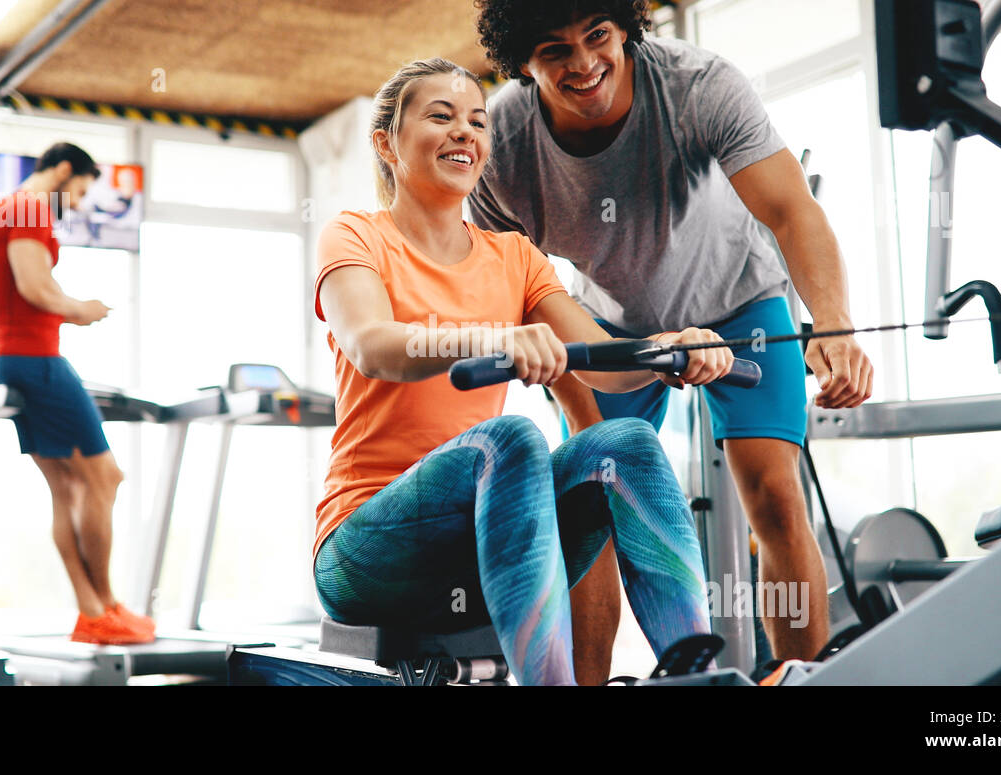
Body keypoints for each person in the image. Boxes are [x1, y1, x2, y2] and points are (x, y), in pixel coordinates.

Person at [469, 0, 876, 677]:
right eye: (553, 51)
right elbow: (508, 289)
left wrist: (833, 325)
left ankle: (805, 677)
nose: (583, 63)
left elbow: (790, 208)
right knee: (587, 494)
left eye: (596, 35)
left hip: (741, 298)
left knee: (773, 493)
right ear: (521, 61)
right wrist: (574, 405)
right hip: (607, 324)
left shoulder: (697, 84)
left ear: (625, 25)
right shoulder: (502, 144)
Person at [313, 58, 737, 685]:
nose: (465, 133)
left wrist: (671, 349)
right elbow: (374, 345)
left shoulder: (513, 256)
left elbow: (608, 368)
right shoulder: (356, 236)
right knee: (510, 438)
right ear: (386, 143)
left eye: (478, 123)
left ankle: (694, 675)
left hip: (487, 546)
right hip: (366, 550)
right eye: (441, 117)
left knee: (627, 443)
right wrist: (496, 339)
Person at [0, 142, 154, 645]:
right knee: (105, 477)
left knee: (68, 489)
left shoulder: (5, 210)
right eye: (80, 188)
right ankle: (106, 604)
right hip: (35, 360)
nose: (77, 202)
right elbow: (34, 286)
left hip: (9, 357)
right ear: (66, 169)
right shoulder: (28, 208)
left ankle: (93, 611)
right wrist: (81, 308)